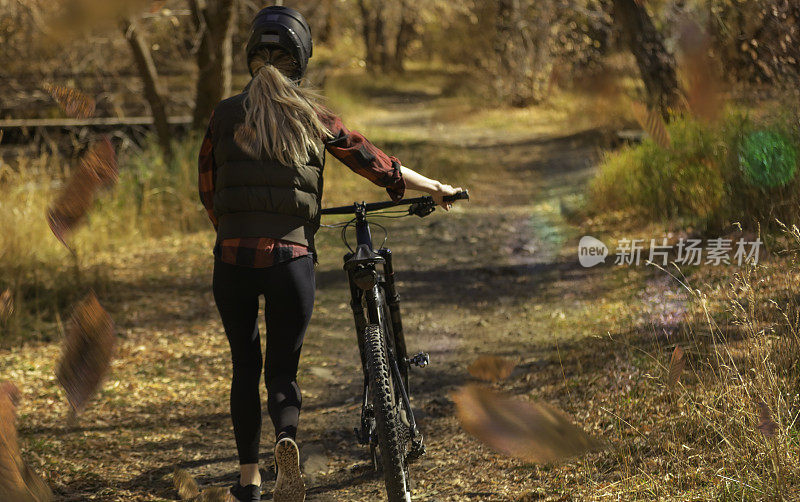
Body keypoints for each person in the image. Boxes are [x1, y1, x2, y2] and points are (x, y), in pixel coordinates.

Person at [198, 6, 464, 502]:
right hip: (291, 259)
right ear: (301, 61)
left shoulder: (222, 114)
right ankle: (286, 441)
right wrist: (435, 186)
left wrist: (232, 233)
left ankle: (249, 482)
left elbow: (208, 190)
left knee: (243, 365)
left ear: (251, 57)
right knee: (283, 369)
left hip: (232, 259)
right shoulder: (312, 115)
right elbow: (374, 162)